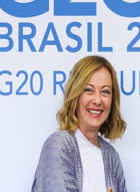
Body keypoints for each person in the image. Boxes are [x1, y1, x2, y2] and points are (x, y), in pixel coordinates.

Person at [32, 55, 127, 192]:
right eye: (89, 90)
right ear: (76, 94)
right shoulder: (58, 145)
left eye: (105, 91)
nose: (98, 100)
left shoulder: (112, 157)